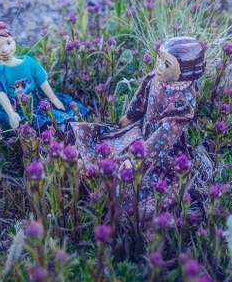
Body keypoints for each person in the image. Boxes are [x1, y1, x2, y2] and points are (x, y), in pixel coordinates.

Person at [72, 36, 206, 215]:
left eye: (167, 64)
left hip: (162, 150)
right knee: (109, 146)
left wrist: (137, 158)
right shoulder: (157, 78)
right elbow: (141, 95)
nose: (159, 65)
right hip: (142, 129)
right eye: (159, 57)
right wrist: (130, 115)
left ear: (186, 72)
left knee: (136, 182)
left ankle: (102, 186)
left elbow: (164, 135)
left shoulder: (183, 102)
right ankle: (87, 169)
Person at [0, 19, 86, 131]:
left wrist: (53, 99)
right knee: (31, 128)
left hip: (36, 99)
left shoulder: (28, 61)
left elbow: (41, 80)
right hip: (16, 106)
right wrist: (10, 113)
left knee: (58, 119)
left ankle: (68, 131)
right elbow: (1, 94)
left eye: (8, 43)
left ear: (14, 41)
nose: (4, 50)